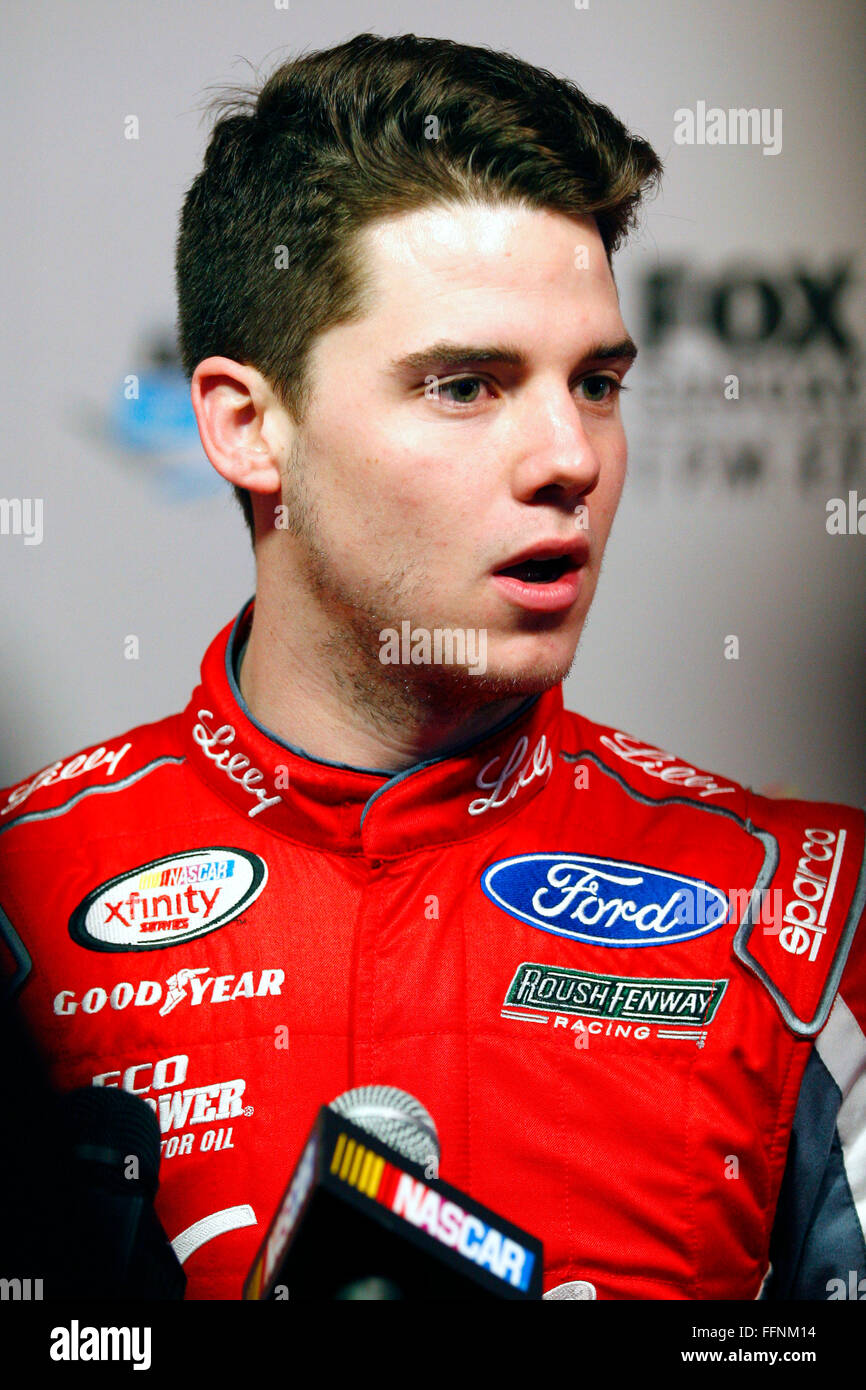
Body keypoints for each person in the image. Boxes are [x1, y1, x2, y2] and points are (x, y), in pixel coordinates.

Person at [1, 32, 863, 1301]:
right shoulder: (18, 902)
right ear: (249, 426)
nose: (567, 455)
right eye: (466, 385)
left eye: (598, 382)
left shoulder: (805, 922)